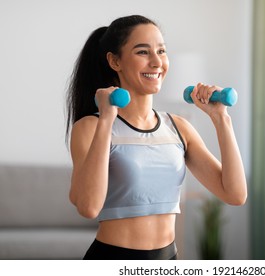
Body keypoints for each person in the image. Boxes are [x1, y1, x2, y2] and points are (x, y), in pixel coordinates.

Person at [65, 15, 247, 260]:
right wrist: (108, 120)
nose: (156, 62)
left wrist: (221, 118)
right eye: (143, 52)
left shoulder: (178, 127)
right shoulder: (92, 126)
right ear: (115, 61)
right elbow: (88, 207)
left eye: (161, 51)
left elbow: (235, 194)